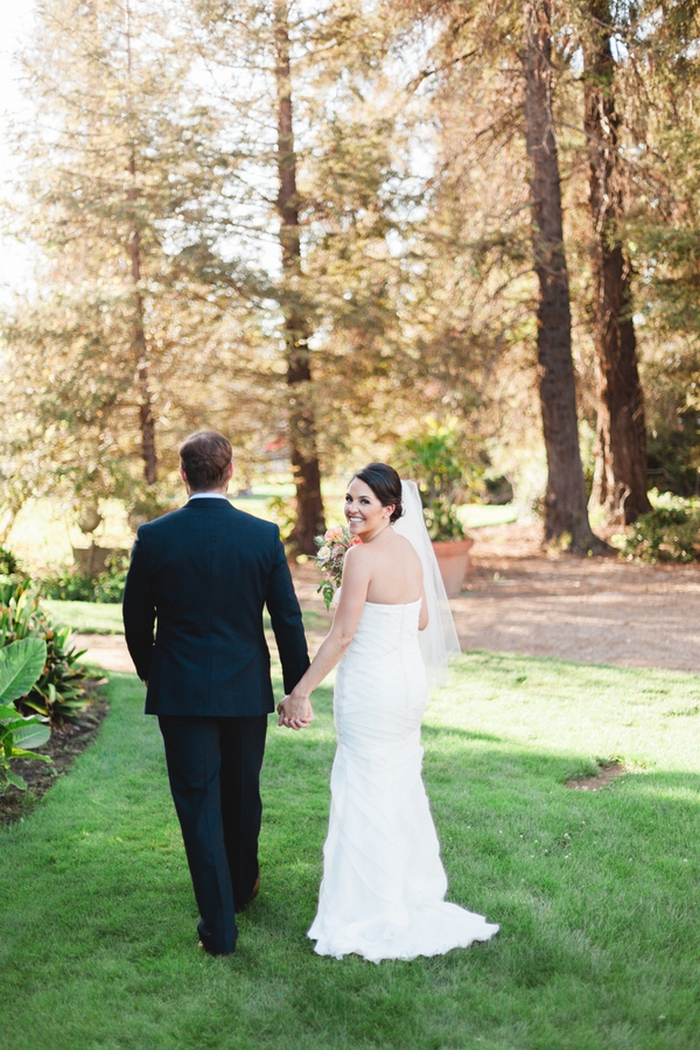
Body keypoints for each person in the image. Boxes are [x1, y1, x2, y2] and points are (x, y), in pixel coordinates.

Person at [278, 462, 499, 961]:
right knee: (395, 780)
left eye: (364, 502)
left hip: (371, 687)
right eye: (350, 499)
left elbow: (342, 636)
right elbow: (419, 619)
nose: (353, 509)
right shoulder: (409, 551)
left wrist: (300, 692)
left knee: (363, 783)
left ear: (390, 508)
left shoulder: (361, 558)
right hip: (405, 685)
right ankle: (403, 893)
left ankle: (368, 909)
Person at [123, 431, 310, 957]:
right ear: (230, 472)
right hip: (245, 690)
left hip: (180, 691)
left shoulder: (154, 536)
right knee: (242, 793)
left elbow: (135, 617)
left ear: (183, 474)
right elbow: (288, 619)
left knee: (198, 803)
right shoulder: (263, 536)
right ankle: (240, 891)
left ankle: (221, 922)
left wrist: (151, 671)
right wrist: (296, 688)